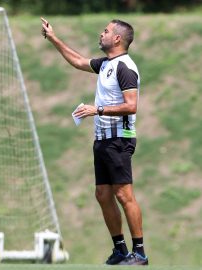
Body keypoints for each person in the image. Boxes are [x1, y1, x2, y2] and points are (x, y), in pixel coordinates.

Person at [40, 18, 148, 266]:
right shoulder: (107, 64)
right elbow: (78, 61)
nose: (101, 34)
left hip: (119, 140)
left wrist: (97, 110)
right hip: (102, 140)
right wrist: (53, 37)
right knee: (102, 194)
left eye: (106, 31)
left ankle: (140, 253)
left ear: (117, 39)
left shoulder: (125, 67)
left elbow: (132, 106)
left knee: (123, 194)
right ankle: (120, 249)